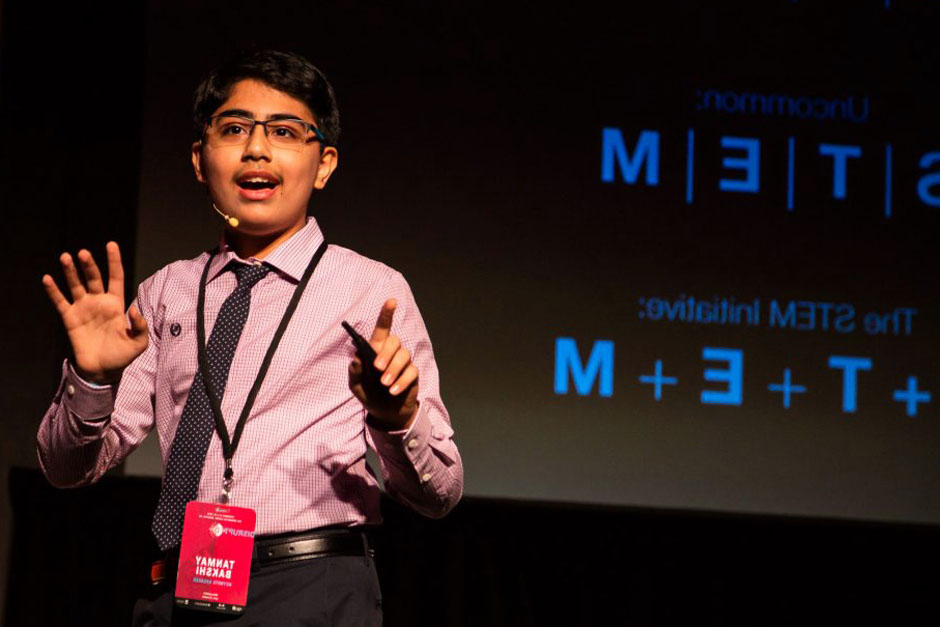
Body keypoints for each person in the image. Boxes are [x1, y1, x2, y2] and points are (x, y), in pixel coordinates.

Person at [37, 49, 463, 626]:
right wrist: (92, 379)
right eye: (234, 128)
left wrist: (396, 418)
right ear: (199, 158)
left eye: (285, 132)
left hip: (310, 588)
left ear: (324, 164)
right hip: (174, 590)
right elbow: (66, 469)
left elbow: (440, 491)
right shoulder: (167, 293)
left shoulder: (369, 290)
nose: (256, 148)